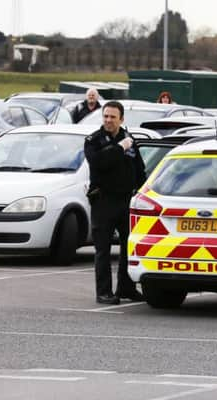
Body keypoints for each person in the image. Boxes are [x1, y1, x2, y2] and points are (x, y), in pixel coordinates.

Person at [84, 101, 147, 305]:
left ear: (121, 119)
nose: (108, 120)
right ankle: (103, 292)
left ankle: (126, 287)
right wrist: (119, 147)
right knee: (103, 249)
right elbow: (99, 162)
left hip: (126, 200)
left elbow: (139, 169)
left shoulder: (129, 139)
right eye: (106, 116)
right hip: (103, 200)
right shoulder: (94, 140)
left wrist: (142, 191)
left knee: (128, 246)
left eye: (113, 117)